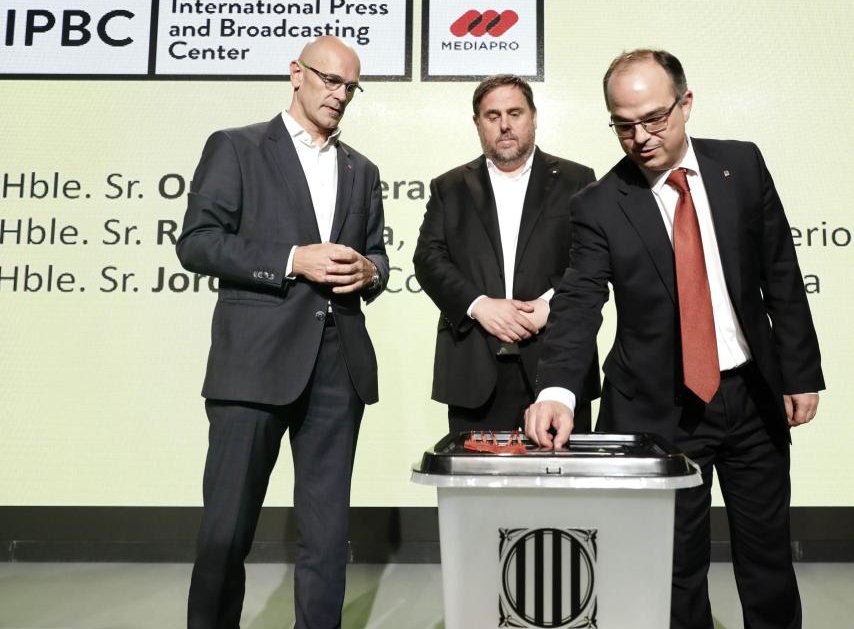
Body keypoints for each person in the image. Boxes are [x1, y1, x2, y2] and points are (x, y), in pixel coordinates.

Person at [525, 49, 823, 628]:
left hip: (752, 397)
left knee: (767, 559)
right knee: (674, 569)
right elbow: (579, 300)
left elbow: (780, 273)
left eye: (654, 119)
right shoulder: (597, 205)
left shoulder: (741, 165)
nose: (640, 138)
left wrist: (800, 373)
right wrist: (557, 390)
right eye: (623, 125)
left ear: (686, 104)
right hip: (661, 408)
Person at [176, 36, 388, 629]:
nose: (340, 95)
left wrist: (371, 271)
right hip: (253, 366)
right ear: (296, 73)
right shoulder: (237, 147)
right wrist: (293, 259)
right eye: (330, 80)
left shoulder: (362, 169)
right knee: (226, 529)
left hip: (338, 367)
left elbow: (377, 253)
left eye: (351, 87)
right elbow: (197, 243)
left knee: (327, 534)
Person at [413, 74, 600, 434]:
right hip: (474, 369)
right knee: (476, 472)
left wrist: (552, 304)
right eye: (492, 115)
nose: (505, 125)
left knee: (562, 471)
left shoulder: (577, 180)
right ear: (477, 123)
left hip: (557, 362)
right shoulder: (449, 187)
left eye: (515, 113)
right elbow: (428, 259)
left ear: (534, 116)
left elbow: (591, 259)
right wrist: (478, 305)